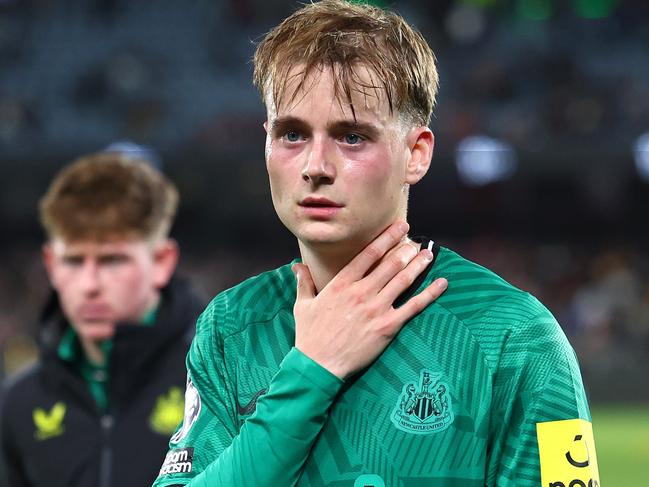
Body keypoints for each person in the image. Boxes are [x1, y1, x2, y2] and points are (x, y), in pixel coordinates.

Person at [153, 1, 599, 486]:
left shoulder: (516, 337)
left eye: (351, 137)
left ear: (416, 154)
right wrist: (311, 370)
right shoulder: (231, 326)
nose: (315, 166)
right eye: (292, 133)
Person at [0, 152, 205, 487]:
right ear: (50, 265)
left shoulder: (215, 382)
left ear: (162, 262)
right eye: (74, 261)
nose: (90, 285)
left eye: (112, 260)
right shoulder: (20, 402)